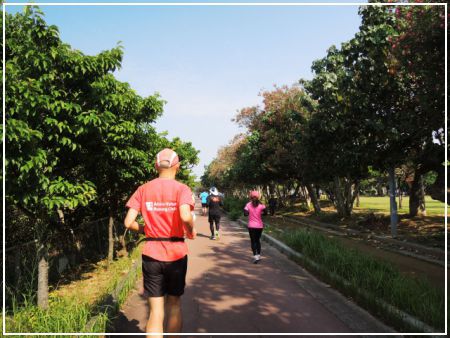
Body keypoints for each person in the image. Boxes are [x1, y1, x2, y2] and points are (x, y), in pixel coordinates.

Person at [124, 148, 196, 338]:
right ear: (177, 167)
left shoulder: (143, 189)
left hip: (151, 254)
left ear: (156, 166)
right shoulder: (182, 189)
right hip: (176, 254)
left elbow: (127, 222)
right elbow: (185, 215)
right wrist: (190, 229)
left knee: (155, 311)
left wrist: (145, 230)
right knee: (174, 305)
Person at [244, 191, 267, 263]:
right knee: (258, 241)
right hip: (259, 226)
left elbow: (245, 214)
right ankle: (259, 255)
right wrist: (261, 213)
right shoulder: (261, 205)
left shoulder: (248, 205)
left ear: (251, 197)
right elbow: (266, 213)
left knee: (253, 241)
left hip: (251, 226)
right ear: (258, 197)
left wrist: (248, 213)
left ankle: (255, 256)